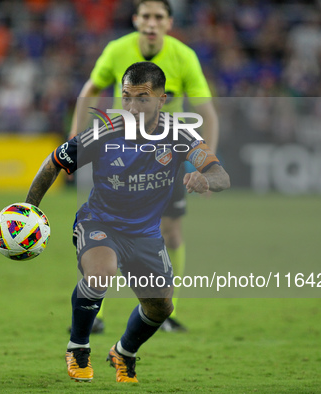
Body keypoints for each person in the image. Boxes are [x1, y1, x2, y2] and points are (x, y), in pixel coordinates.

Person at [27, 62, 229, 383]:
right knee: (100, 274)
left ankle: (123, 352)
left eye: (142, 99)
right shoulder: (104, 132)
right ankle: (78, 347)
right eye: (126, 97)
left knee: (162, 308)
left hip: (145, 234)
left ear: (162, 100)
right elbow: (53, 162)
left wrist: (206, 180)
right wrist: (28, 210)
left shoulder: (179, 135)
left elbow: (220, 174)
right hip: (100, 222)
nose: (132, 108)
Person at [69, 0, 219, 333]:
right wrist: (76, 137)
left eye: (159, 17)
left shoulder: (184, 57)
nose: (152, 23)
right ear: (136, 20)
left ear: (169, 22)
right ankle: (96, 314)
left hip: (166, 158)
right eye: (146, 16)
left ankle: (166, 311)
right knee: (107, 228)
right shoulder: (116, 50)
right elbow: (90, 89)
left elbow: (207, 113)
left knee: (171, 233)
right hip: (118, 154)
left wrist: (205, 167)